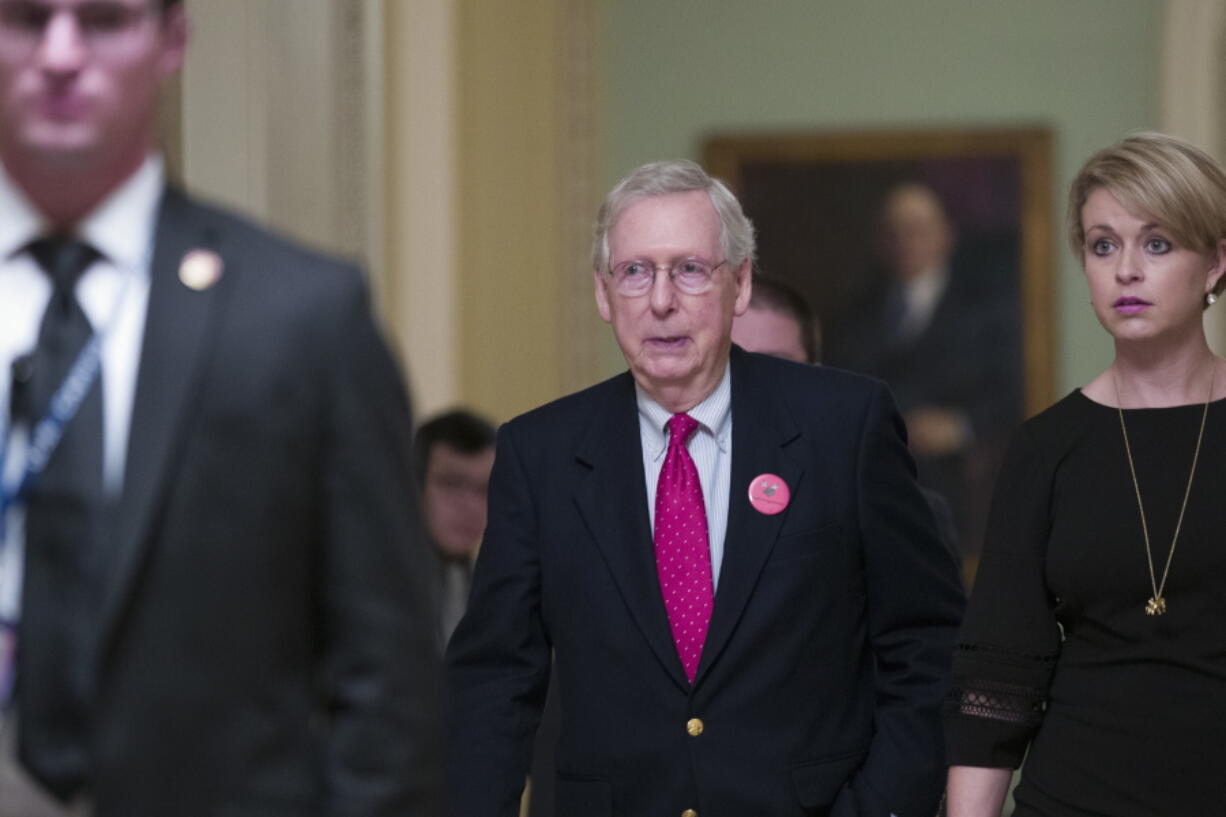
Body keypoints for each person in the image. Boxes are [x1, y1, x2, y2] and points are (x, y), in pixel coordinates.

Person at [0, 1, 439, 815]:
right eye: (26, 19)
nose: (60, 55)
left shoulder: (303, 317)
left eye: (102, 20)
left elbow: (389, 684)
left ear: (172, 40)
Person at [447, 159, 964, 817]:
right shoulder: (539, 453)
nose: (660, 300)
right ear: (604, 294)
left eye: (689, 269)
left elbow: (925, 645)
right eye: (635, 272)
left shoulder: (844, 426)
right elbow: (496, 679)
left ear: (739, 284)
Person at [944, 132, 1226, 816]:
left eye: (1156, 243)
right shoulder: (1046, 447)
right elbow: (999, 672)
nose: (1126, 269)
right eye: (1103, 245)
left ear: (1215, 263)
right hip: (1072, 798)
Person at [826, 183, 1023, 563]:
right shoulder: (855, 314)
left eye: (917, 230)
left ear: (946, 235)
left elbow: (1011, 391)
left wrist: (960, 427)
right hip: (872, 483)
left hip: (959, 485)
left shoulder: (986, 311)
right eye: (894, 231)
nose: (905, 242)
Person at [415, 408, 496, 644]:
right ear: (414, 485)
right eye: (452, 483)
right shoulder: (374, 591)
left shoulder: (493, 592)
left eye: (485, 490)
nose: (471, 506)